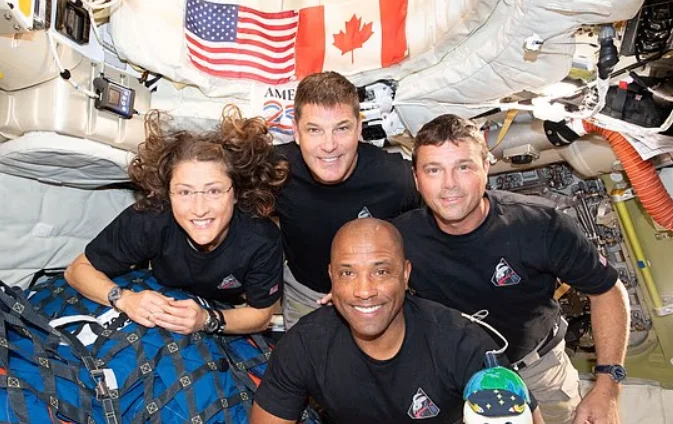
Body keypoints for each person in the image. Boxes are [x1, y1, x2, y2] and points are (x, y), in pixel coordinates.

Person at [392, 114, 630, 424]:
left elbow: (607, 290)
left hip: (539, 371)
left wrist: (608, 386)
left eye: (463, 167)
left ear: (486, 167)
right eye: (433, 170)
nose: (449, 184)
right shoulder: (397, 239)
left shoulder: (540, 225)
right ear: (416, 178)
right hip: (454, 376)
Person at [250, 218, 542, 424]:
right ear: (332, 277)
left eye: (381, 272)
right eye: (348, 273)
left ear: (405, 274)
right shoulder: (304, 346)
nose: (364, 291)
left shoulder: (461, 343)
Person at [65, 107, 287, 335]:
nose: (199, 209)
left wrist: (206, 319)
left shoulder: (261, 238)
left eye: (213, 191)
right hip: (157, 298)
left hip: (221, 312)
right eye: (184, 192)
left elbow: (261, 315)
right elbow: (76, 270)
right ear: (167, 194)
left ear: (237, 192)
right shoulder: (150, 218)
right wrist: (124, 299)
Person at [275, 71, 421, 329]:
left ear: (359, 129)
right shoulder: (275, 171)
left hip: (374, 294)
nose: (329, 145)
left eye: (341, 128)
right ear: (296, 132)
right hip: (305, 293)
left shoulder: (395, 178)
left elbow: (431, 233)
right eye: (314, 130)